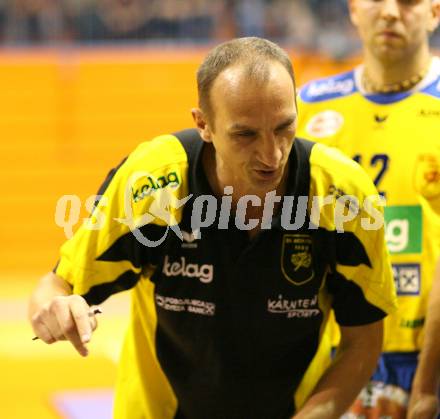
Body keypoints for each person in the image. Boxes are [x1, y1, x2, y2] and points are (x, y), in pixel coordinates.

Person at [29, 37, 397, 419]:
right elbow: (56, 287)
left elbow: (364, 340)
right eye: (246, 134)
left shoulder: (343, 197)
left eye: (284, 127)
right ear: (204, 124)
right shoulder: (152, 184)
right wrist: (53, 308)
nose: (271, 154)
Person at [297, 1, 440, 417]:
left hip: (424, 351)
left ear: (434, 12)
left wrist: (427, 387)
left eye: (408, 1)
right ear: (354, 9)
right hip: (328, 352)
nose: (391, 12)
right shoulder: (306, 109)